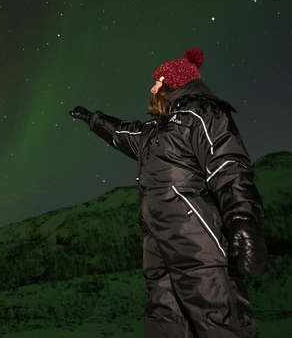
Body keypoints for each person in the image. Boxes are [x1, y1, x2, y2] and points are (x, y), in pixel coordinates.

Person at [70, 47, 268, 338]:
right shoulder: (155, 131)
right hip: (157, 241)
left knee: (218, 316)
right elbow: (123, 133)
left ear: (174, 83)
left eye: (158, 82)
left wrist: (243, 218)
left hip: (197, 239)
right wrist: (93, 119)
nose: (153, 88)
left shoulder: (202, 114)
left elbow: (228, 167)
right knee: (165, 319)